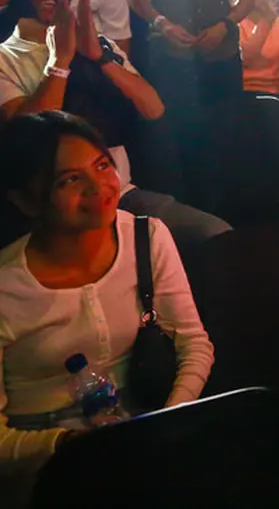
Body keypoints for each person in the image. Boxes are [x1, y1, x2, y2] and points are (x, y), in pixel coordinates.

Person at [0, 112, 213, 472]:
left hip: (146, 431)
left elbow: (193, 344)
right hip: (47, 457)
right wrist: (68, 445)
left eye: (101, 165)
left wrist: (170, 419)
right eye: (69, 180)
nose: (98, 188)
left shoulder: (146, 237)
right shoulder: (7, 287)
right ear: (26, 201)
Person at [0, 0, 230, 255]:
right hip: (54, 204)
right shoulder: (5, 56)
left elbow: (154, 108)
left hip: (121, 193)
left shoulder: (100, 43)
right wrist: (59, 62)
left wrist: (99, 57)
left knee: (216, 235)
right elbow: (24, 137)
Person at [121, 0, 257, 214]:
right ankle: (172, 220)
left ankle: (219, 219)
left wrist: (225, 26)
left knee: (222, 141)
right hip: (169, 57)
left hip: (221, 57)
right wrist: (161, 23)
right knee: (171, 139)